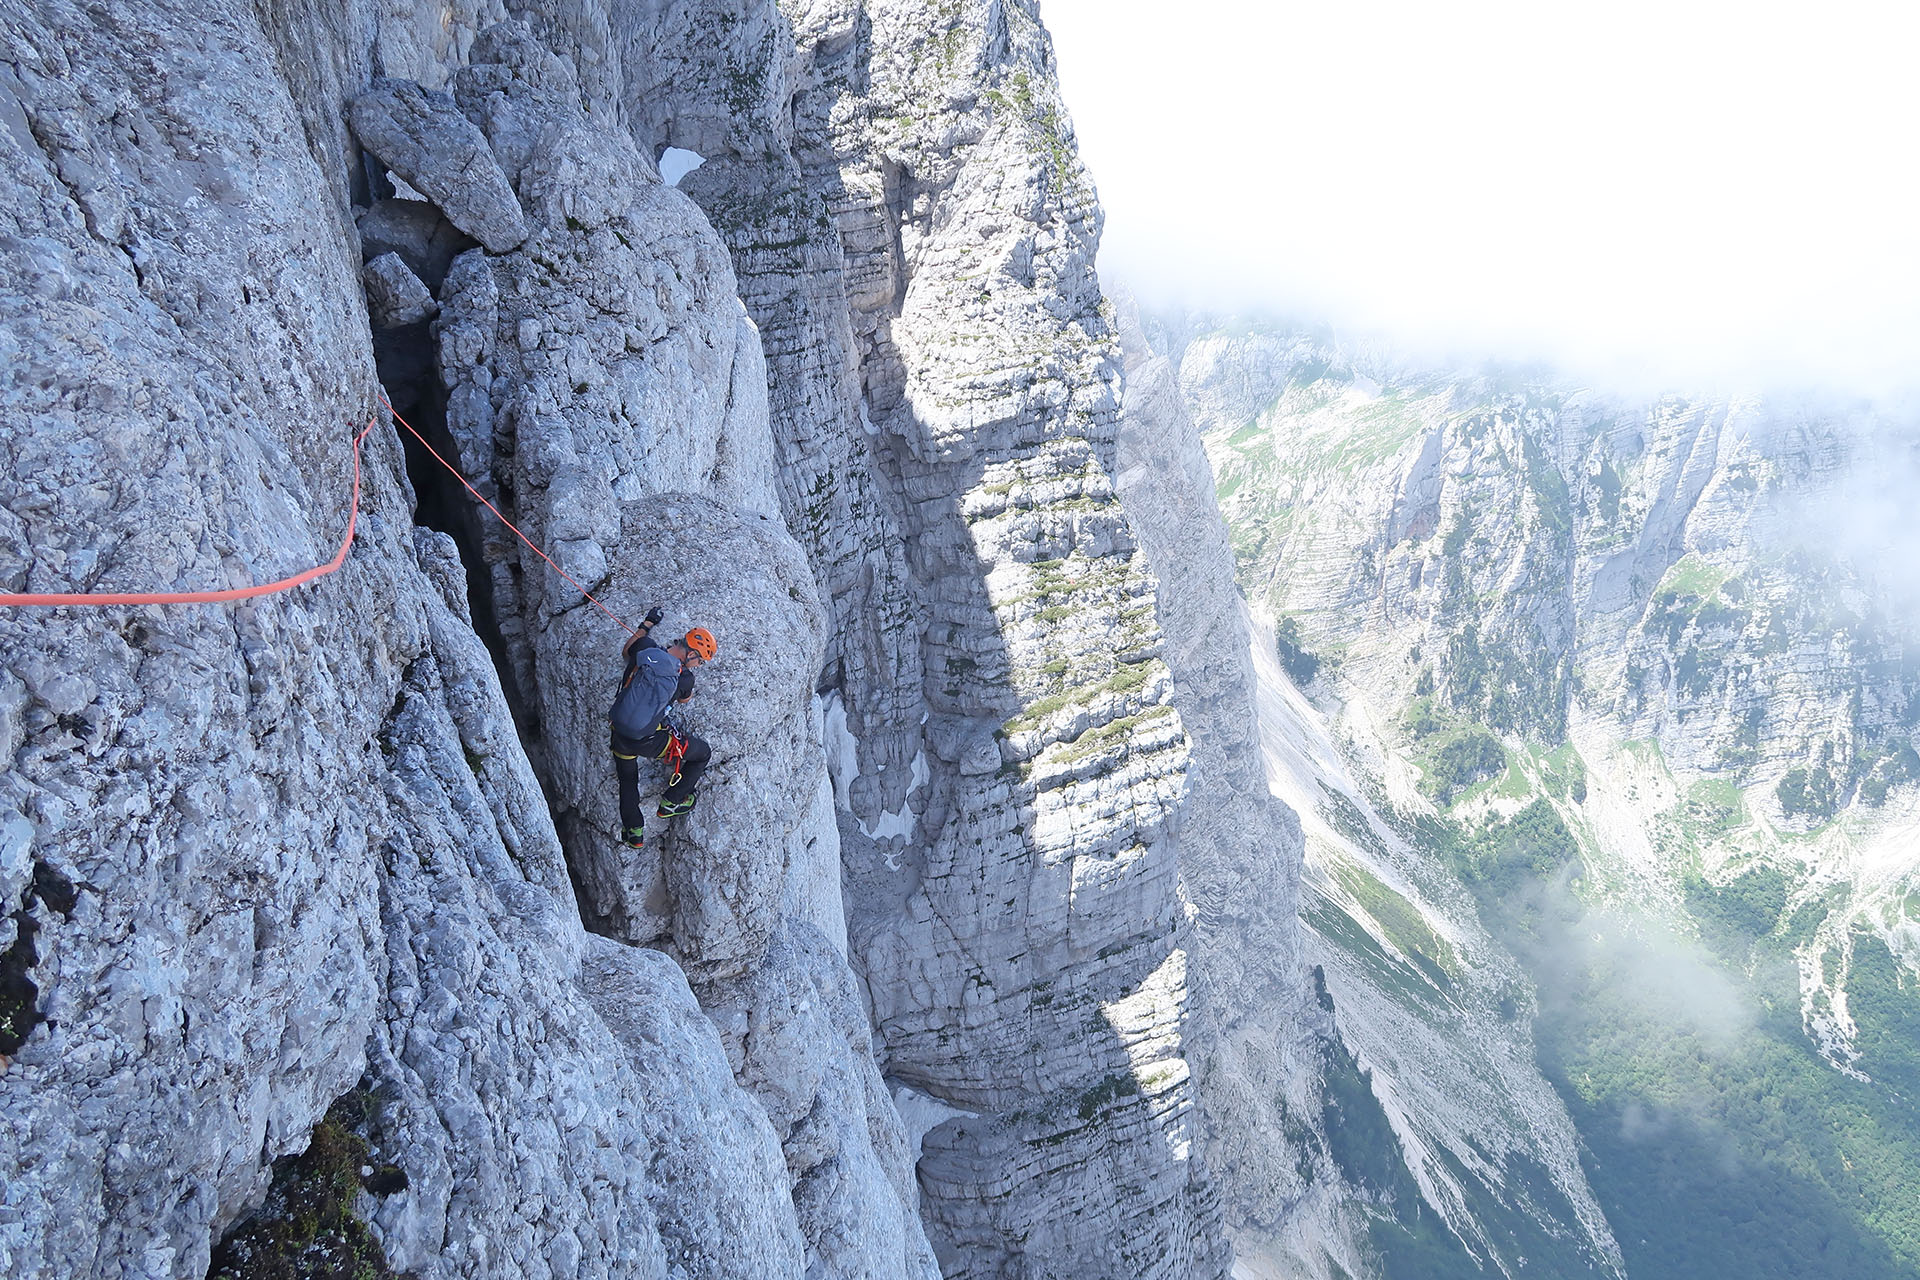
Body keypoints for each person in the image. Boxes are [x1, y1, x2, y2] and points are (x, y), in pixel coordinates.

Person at [609, 608, 717, 848]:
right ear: (691, 654)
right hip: (647, 740)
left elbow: (627, 650)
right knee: (702, 753)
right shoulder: (685, 678)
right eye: (700, 660)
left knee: (627, 779)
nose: (699, 665)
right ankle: (672, 801)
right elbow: (683, 700)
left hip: (619, 731)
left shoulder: (646, 647)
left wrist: (647, 624)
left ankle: (634, 831)